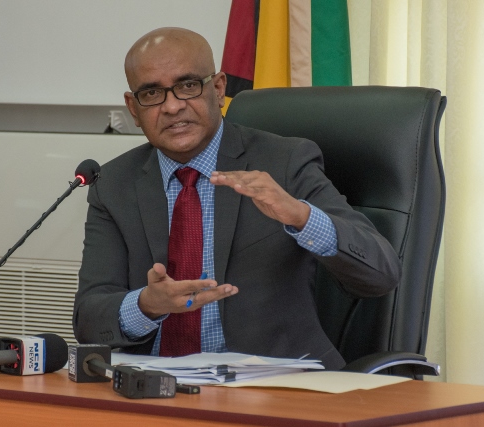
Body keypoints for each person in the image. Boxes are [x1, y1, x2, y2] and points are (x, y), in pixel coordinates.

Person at [72, 27, 401, 369]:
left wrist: (301, 217)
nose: (172, 106)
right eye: (152, 93)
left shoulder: (285, 163)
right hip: (155, 385)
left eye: (188, 85)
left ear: (218, 89)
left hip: (276, 384)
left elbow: (382, 274)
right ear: (133, 108)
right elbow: (89, 321)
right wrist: (145, 306)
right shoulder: (113, 184)